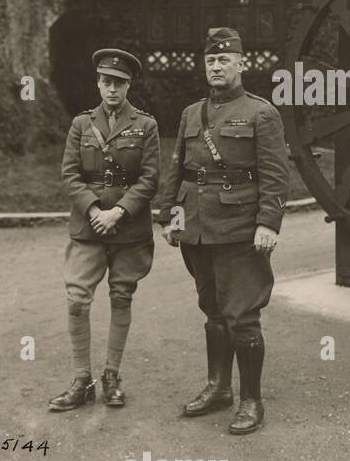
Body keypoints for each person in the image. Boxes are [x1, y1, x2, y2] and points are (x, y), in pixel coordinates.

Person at [156, 27, 290, 434]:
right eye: (211, 61)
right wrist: (167, 215)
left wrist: (268, 222)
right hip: (196, 228)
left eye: (224, 60)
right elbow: (178, 167)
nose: (216, 67)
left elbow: (275, 175)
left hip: (239, 228)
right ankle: (219, 388)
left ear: (241, 64)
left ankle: (251, 400)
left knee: (242, 316)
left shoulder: (260, 113)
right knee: (213, 312)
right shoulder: (191, 113)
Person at [49, 49, 160, 413]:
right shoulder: (81, 124)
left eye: (120, 83)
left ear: (129, 85)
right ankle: (82, 379)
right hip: (89, 226)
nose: (112, 89)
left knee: (122, 296)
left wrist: (119, 212)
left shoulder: (146, 125)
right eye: (106, 82)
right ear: (98, 83)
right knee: (77, 298)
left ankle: (112, 375)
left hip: (128, 228)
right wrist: (96, 209)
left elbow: (149, 178)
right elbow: (69, 174)